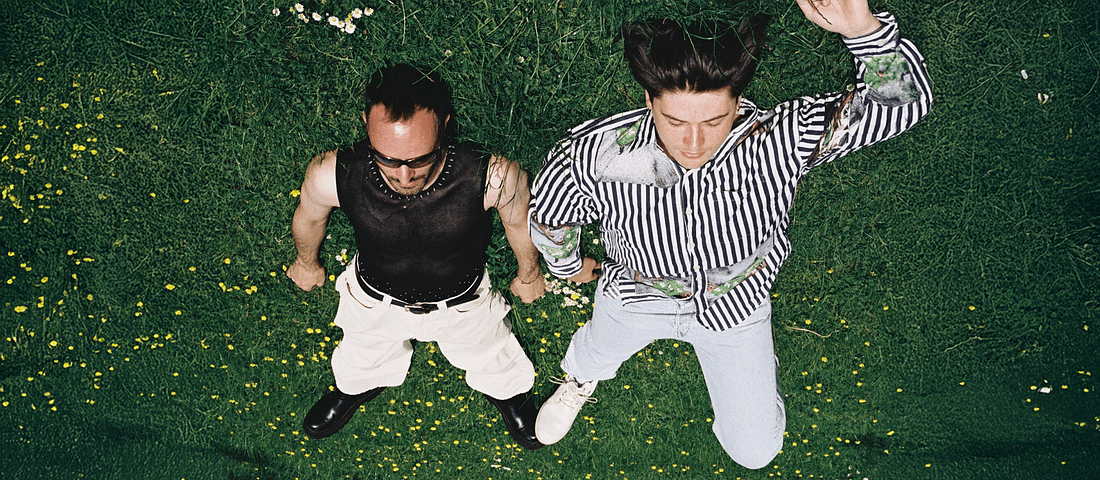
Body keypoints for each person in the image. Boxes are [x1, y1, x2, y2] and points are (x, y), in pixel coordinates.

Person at [528, 0, 932, 469]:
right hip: (635, 297)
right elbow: (550, 216)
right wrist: (568, 266)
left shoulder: (779, 140)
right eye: (675, 122)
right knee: (597, 349)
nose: (693, 143)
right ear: (649, 101)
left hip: (736, 309)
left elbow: (902, 106)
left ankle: (752, 369)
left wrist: (864, 32)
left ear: (737, 104)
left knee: (755, 452)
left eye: (713, 121)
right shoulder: (596, 154)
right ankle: (579, 380)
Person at [287, 63, 547, 450]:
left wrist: (529, 274)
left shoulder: (493, 175)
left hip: (463, 302)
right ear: (366, 124)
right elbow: (309, 217)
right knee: (362, 352)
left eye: (421, 159)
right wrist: (306, 262)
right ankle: (357, 386)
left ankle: (507, 393)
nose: (405, 176)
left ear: (444, 125)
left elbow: (518, 224)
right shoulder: (332, 172)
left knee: (489, 351)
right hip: (372, 298)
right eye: (388, 159)